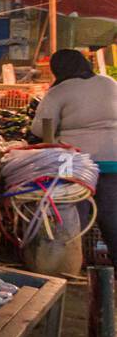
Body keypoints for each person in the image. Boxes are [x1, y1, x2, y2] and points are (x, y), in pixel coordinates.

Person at [31, 48, 117, 259]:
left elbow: (40, 129)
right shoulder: (109, 83)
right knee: (112, 217)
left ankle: (73, 262)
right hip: (114, 159)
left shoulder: (59, 91)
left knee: (76, 216)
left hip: (75, 164)